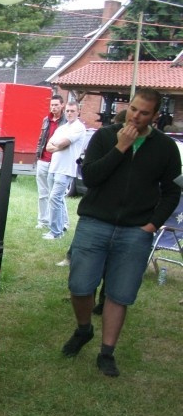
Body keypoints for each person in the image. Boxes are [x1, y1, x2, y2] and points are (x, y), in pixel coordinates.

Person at [61, 89, 181, 377]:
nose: (135, 116)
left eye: (144, 113)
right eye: (133, 109)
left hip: (135, 231)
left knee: (120, 294)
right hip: (95, 223)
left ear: (155, 116)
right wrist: (120, 147)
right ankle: (84, 329)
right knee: (80, 286)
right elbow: (90, 177)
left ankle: (107, 353)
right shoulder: (104, 136)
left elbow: (172, 191)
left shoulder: (165, 147)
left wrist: (152, 224)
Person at [43, 102, 87, 241]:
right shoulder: (61, 128)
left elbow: (63, 142)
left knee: (55, 198)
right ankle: (61, 226)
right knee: (58, 199)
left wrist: (59, 145)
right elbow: (48, 147)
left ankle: (55, 231)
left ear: (78, 111)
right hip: (54, 167)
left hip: (66, 169)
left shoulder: (79, 127)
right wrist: (59, 146)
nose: (69, 113)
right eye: (67, 111)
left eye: (72, 111)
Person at [35, 95, 66, 230]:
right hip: (43, 160)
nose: (53, 107)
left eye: (56, 105)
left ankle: (62, 222)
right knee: (43, 194)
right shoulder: (46, 120)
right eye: (52, 105)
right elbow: (41, 138)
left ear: (62, 105)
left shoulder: (66, 122)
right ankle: (43, 221)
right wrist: (38, 155)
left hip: (57, 162)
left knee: (57, 195)